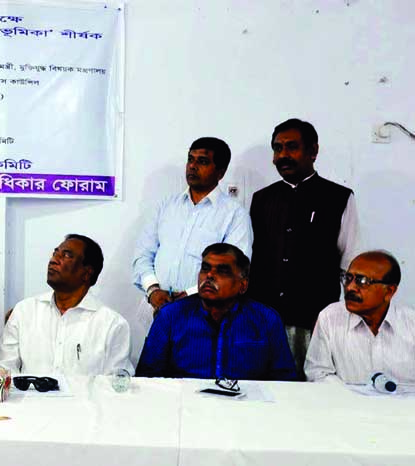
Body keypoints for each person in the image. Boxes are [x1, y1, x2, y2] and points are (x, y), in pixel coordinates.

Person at [249, 118, 359, 377]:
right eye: (277, 148)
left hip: (313, 322)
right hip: (263, 320)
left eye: (291, 147)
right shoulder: (261, 199)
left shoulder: (338, 197)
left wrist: (341, 319)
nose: (282, 155)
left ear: (313, 151)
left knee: (309, 394)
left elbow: (350, 263)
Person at [130, 137, 252, 364]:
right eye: (190, 160)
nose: (192, 167)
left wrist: (187, 296)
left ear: (221, 171)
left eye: (203, 161)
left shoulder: (234, 215)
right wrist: (153, 291)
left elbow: (233, 269)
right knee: (151, 381)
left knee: (193, 377)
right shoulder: (166, 206)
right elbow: (142, 255)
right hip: (154, 309)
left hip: (201, 315)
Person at [136, 243, 296, 380]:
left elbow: (284, 381)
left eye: (223, 271)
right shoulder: (170, 316)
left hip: (247, 409)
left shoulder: (267, 320)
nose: (210, 275)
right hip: (185, 407)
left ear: (243, 285)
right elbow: (147, 378)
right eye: (205, 269)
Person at [0, 234, 133, 376]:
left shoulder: (112, 324)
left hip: (86, 399)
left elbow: (116, 385)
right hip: (29, 398)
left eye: (66, 255)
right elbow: (3, 371)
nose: (53, 260)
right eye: (55, 253)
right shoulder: (24, 312)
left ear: (87, 272)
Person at [305, 251, 414, 384]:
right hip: (347, 403)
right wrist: (352, 399)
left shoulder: (411, 323)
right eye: (347, 278)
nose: (350, 287)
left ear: (389, 291)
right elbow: (317, 373)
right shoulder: (329, 317)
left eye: (362, 281)